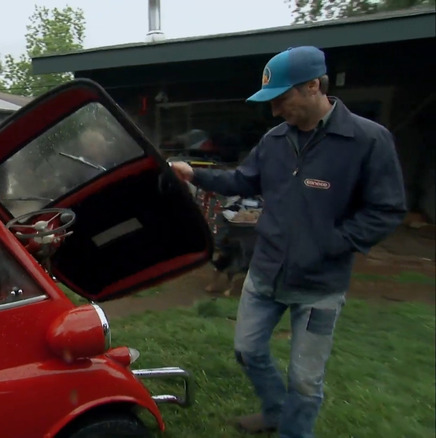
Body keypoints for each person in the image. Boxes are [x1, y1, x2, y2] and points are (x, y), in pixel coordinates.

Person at [170, 46, 407, 437]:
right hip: (265, 273)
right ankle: (277, 411)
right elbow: (243, 181)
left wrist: (332, 243)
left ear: (314, 86)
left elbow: (387, 209)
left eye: (282, 100)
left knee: (305, 381)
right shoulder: (275, 139)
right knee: (247, 351)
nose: (276, 111)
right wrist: (194, 174)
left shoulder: (367, 140)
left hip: (319, 285)